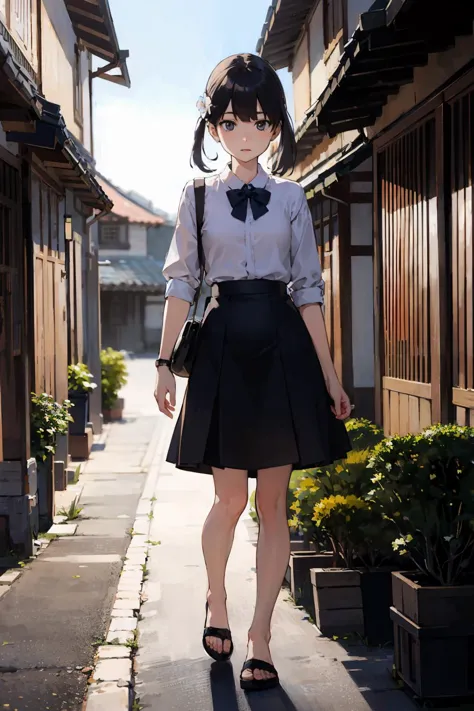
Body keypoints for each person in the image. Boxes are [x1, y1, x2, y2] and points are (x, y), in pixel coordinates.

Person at [155, 53, 352, 692]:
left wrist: (330, 375)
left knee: (273, 503)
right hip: (221, 348)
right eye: (234, 122)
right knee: (229, 499)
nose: (247, 135)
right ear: (215, 128)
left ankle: (261, 636)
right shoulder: (197, 197)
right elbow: (182, 281)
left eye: (260, 122)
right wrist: (162, 364)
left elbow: (308, 291)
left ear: (274, 129)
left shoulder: (293, 198)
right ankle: (217, 599)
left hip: (282, 350)